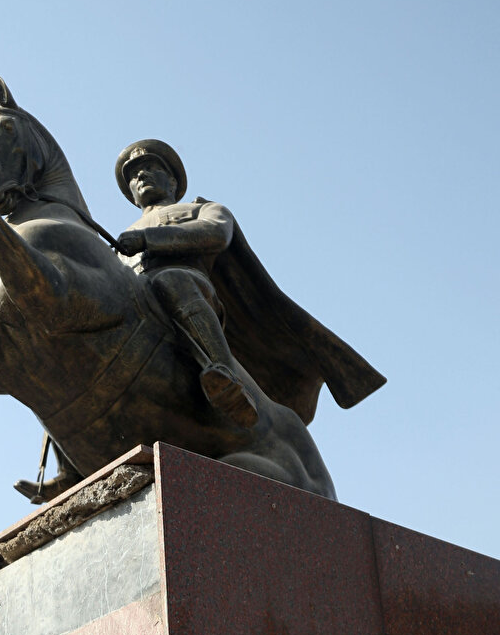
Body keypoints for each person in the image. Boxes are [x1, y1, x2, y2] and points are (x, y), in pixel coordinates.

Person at [112, 139, 385, 430]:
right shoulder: (120, 237)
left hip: (188, 287)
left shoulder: (201, 208)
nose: (140, 176)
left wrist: (148, 240)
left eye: (150, 167)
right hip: (137, 300)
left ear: (172, 180)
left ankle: (227, 378)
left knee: (171, 280)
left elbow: (216, 233)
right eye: (133, 175)